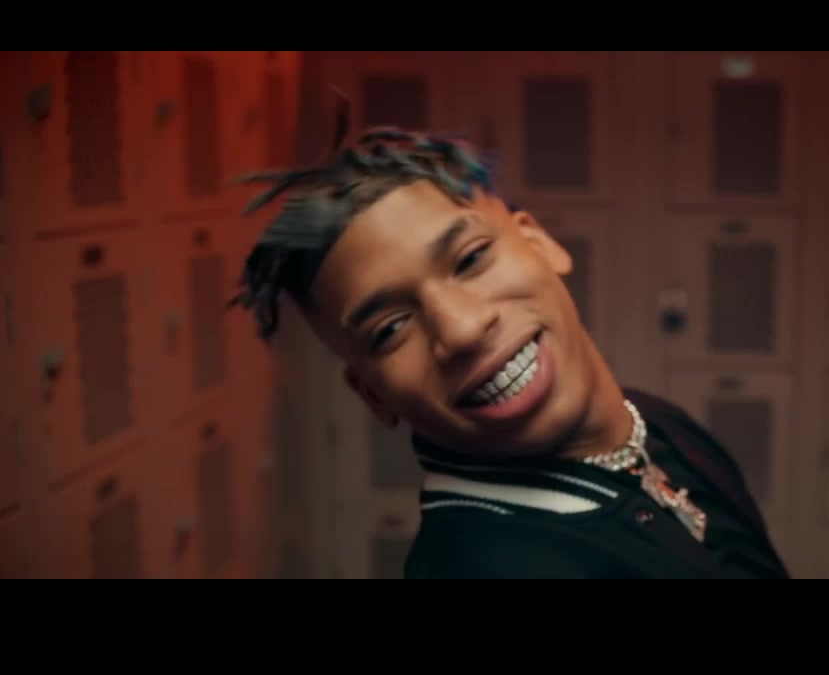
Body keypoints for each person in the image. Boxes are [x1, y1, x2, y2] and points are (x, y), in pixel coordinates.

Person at [230, 118, 789, 579]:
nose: (462, 329)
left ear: (540, 243)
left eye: (471, 259)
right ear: (374, 394)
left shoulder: (657, 422)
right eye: (391, 328)